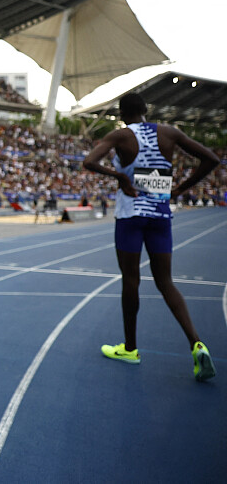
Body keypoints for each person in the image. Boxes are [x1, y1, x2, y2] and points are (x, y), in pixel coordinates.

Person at [83, 92, 219, 381]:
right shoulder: (170, 133)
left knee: (131, 281)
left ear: (122, 114)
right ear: (146, 110)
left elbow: (90, 162)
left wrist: (120, 177)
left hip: (131, 217)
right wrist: (181, 189)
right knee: (166, 282)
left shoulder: (120, 136)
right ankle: (197, 344)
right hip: (160, 216)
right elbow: (211, 159)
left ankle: (130, 349)